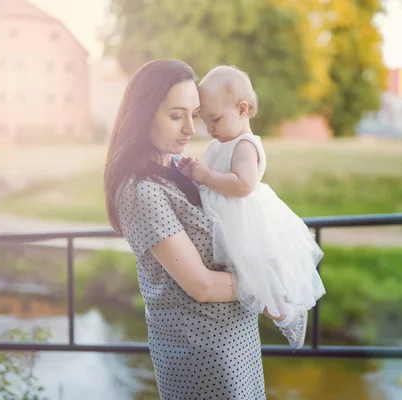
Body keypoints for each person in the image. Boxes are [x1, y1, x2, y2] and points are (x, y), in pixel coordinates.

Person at [103, 59, 267, 399]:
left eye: (195, 114)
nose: (192, 129)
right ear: (143, 115)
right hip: (202, 357)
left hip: (236, 340)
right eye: (177, 116)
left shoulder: (180, 167)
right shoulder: (141, 191)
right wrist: (269, 282)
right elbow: (202, 286)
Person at [177, 65, 326, 349]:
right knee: (241, 274)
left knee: (256, 276)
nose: (209, 128)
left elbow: (242, 185)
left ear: (242, 109)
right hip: (223, 217)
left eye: (215, 119)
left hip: (242, 220)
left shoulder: (245, 145)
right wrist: (194, 171)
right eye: (205, 121)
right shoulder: (220, 143)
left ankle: (287, 315)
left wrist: (205, 176)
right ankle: (278, 311)